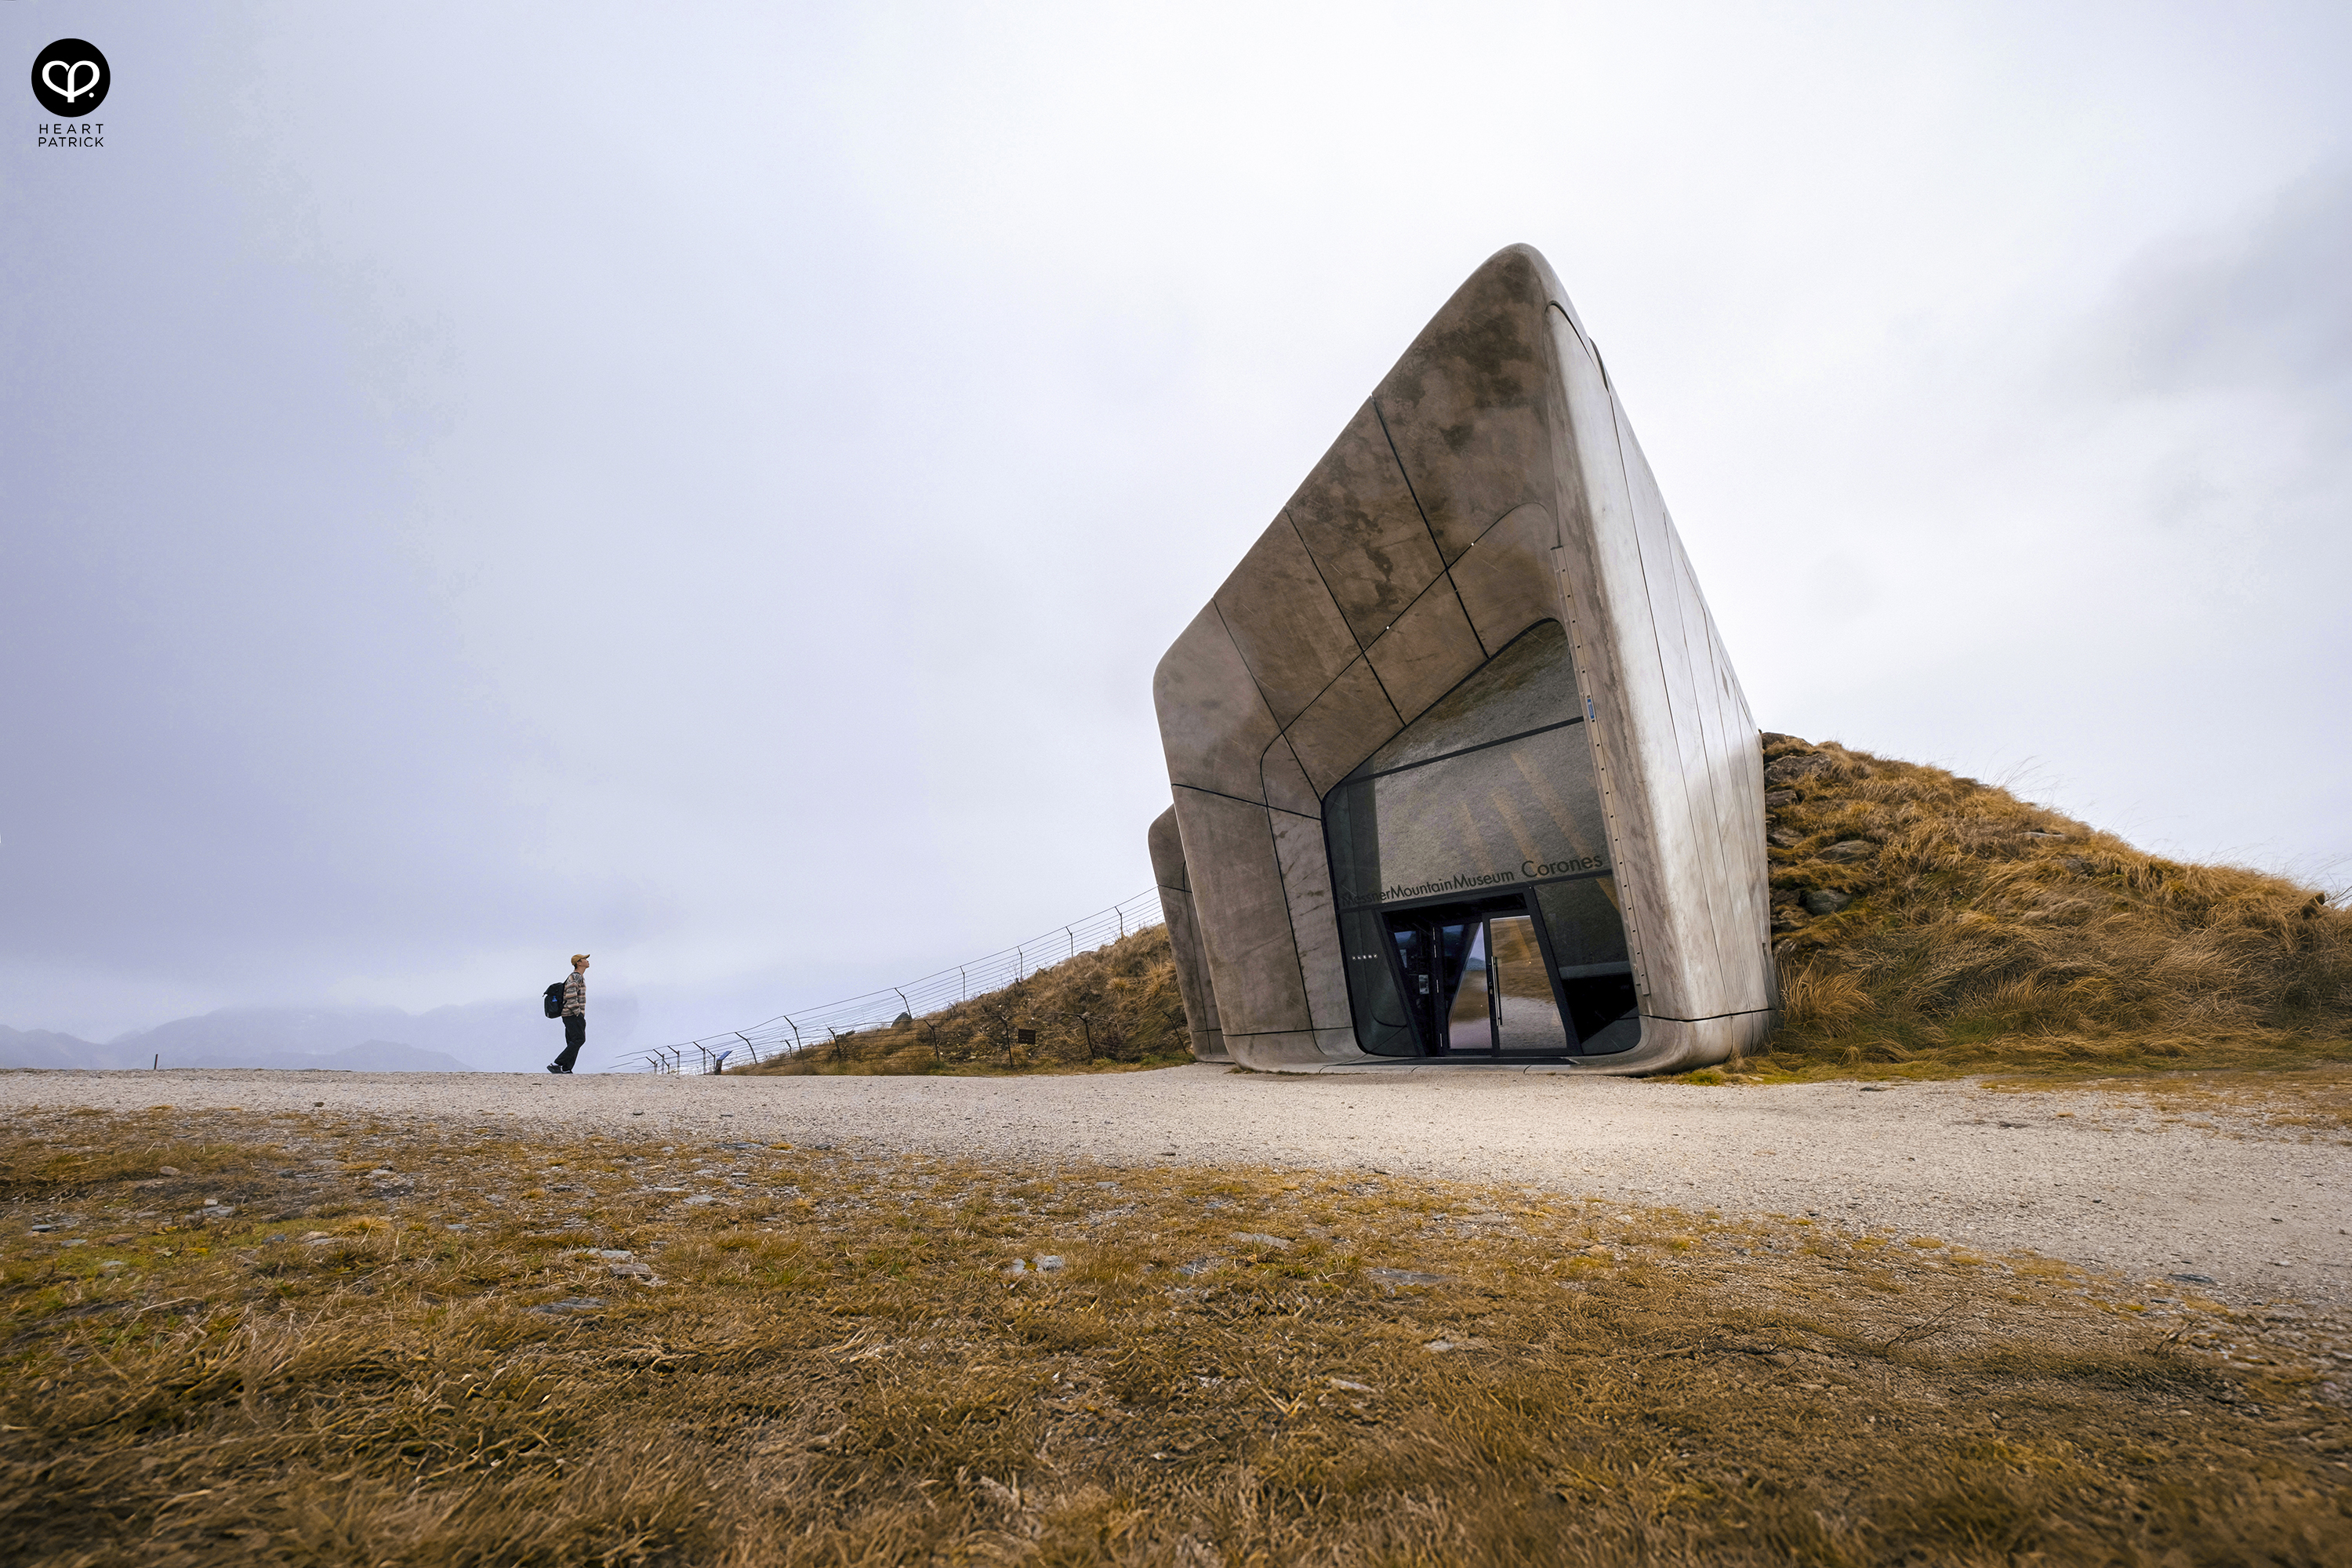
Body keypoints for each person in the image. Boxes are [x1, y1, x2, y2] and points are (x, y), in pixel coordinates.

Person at [548, 953, 590, 1073]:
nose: (587, 961)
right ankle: (556, 1064)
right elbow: (571, 996)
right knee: (579, 1040)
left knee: (573, 1041)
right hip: (572, 1014)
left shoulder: (577, 977)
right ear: (579, 963)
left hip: (569, 1014)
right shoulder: (576, 977)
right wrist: (578, 1013)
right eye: (585, 959)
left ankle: (566, 1069)